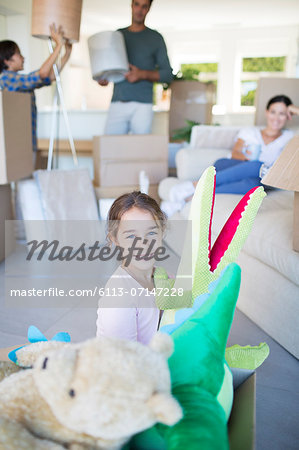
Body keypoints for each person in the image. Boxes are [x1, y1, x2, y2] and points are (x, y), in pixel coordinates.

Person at [163, 95, 294, 214]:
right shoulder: (250, 132)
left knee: (254, 185)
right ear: (266, 112)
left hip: (264, 177)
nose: (276, 118)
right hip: (233, 167)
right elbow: (235, 153)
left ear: (289, 116)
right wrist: (245, 157)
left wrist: (296, 110)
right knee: (250, 166)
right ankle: (195, 186)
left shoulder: (290, 137)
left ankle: (192, 195)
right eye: (273, 112)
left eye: (282, 113)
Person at [96, 191, 167, 345]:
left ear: (163, 232)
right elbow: (123, 361)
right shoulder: (119, 298)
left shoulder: (164, 279)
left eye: (152, 233)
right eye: (131, 236)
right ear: (114, 239)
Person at [98, 0, 173, 135]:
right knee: (109, 149)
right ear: (131, 5)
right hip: (118, 102)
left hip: (143, 105)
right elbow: (109, 67)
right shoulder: (117, 35)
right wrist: (104, 78)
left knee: (141, 151)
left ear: (149, 9)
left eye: (144, 6)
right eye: (137, 4)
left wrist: (141, 74)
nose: (140, 10)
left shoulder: (155, 38)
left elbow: (168, 75)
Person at [0, 24, 72, 153]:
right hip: (16, 146)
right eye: (18, 54)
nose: (23, 57)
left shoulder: (21, 83)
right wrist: (58, 46)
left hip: (26, 143)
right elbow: (42, 73)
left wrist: (67, 54)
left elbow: (50, 76)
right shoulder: (6, 79)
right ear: (7, 60)